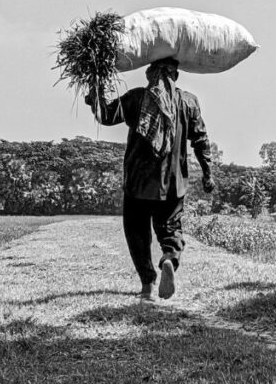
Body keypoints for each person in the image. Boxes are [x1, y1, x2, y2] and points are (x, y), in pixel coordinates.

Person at [85, 57, 215, 300]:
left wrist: (95, 92)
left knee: (137, 232)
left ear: (149, 75)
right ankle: (168, 257)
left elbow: (106, 116)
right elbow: (201, 140)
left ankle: (148, 283)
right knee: (171, 229)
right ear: (175, 76)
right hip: (173, 182)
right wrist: (208, 173)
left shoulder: (136, 98)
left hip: (138, 182)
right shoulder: (188, 102)